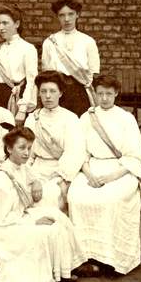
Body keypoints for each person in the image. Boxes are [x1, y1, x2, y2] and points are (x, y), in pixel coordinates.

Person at [0, 126, 86, 282]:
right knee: (43, 232)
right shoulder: (1, 178)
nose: (26, 153)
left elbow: (32, 176)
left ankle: (67, 267)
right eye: (21, 148)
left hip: (17, 215)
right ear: (9, 149)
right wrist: (33, 221)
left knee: (59, 219)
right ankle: (52, 272)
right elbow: (4, 218)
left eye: (29, 148)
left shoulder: (21, 166)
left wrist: (36, 182)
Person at [68, 75, 141, 275]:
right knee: (76, 196)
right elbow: (80, 151)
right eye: (100, 93)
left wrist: (111, 177)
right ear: (94, 94)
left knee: (110, 200)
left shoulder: (126, 118)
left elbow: (135, 155)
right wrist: (89, 175)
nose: (104, 98)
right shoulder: (87, 117)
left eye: (109, 94)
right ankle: (85, 256)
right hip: (92, 167)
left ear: (116, 94)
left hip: (121, 169)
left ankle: (113, 258)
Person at [24, 71, 86, 211]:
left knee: (49, 195)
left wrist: (61, 177)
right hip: (36, 168)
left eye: (52, 91)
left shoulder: (70, 119)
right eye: (43, 91)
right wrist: (31, 177)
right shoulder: (32, 118)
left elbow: (74, 152)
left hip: (60, 170)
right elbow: (26, 152)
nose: (47, 96)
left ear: (60, 93)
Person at [42, 0, 100, 116]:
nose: (67, 19)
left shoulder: (88, 41)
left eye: (71, 14)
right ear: (57, 17)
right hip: (58, 92)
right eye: (62, 15)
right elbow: (46, 73)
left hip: (80, 93)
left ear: (77, 15)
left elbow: (93, 73)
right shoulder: (50, 42)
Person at [0, 4, 37, 125]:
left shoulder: (28, 49)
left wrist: (23, 110)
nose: (1, 27)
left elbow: (32, 81)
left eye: (5, 23)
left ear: (17, 24)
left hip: (17, 97)